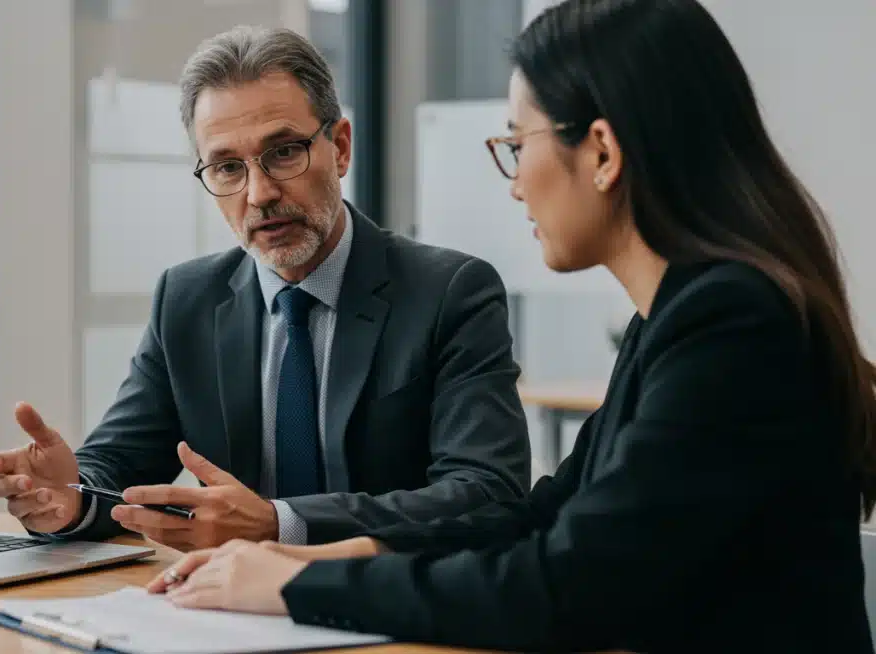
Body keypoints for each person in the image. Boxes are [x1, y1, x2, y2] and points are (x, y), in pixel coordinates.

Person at [143, 1, 876, 651]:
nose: (517, 180)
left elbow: (558, 587)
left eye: (517, 145)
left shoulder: (732, 326)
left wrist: (291, 592)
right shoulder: (679, 318)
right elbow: (540, 517)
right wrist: (303, 558)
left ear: (601, 152)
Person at [0, 25, 532, 552]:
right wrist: (69, 496)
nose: (260, 193)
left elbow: (487, 495)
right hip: (234, 611)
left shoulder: (449, 293)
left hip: (392, 608)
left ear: (340, 147)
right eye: (227, 167)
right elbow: (122, 464)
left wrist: (280, 524)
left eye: (285, 152)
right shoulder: (187, 299)